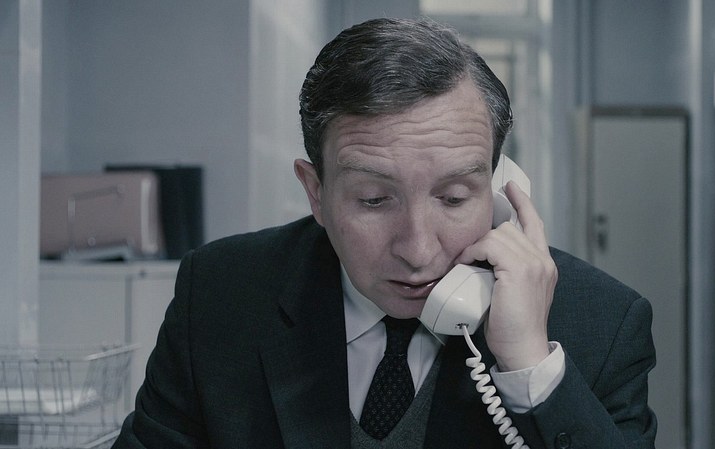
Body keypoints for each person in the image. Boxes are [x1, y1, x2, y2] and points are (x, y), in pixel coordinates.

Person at [113, 17, 656, 449]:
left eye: (454, 198)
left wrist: (531, 368)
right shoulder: (220, 292)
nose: (417, 250)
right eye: (374, 200)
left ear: (498, 189)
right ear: (316, 192)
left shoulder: (603, 323)